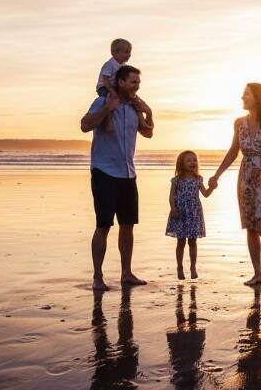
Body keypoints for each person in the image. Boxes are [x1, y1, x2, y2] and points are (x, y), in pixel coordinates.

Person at [80, 64, 153, 290]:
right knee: (103, 226)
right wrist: (107, 109)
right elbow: (84, 125)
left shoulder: (134, 107)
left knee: (128, 226)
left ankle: (126, 273)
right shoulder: (103, 101)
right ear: (120, 82)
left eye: (138, 83)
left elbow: (148, 132)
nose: (136, 86)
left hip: (128, 173)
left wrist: (149, 112)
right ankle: (97, 277)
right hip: (104, 172)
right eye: (133, 82)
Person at [209, 83, 261, 286]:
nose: (242, 97)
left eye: (246, 94)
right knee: (250, 227)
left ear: (258, 97)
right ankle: (257, 274)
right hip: (246, 178)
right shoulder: (239, 123)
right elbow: (233, 151)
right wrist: (217, 175)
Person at [166, 150, 216, 279]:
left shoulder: (198, 179)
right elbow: (171, 197)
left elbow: (205, 194)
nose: (193, 162)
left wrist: (212, 187)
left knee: (192, 242)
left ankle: (193, 267)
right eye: (189, 160)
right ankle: (179, 267)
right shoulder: (177, 180)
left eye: (194, 160)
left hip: (194, 213)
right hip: (180, 213)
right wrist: (173, 209)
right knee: (181, 242)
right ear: (181, 164)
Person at [95, 38, 133, 132]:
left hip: (114, 87)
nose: (129, 55)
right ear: (114, 52)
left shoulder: (123, 65)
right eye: (126, 52)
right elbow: (105, 80)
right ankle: (108, 121)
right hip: (104, 87)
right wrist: (112, 91)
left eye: (130, 52)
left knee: (130, 98)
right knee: (110, 100)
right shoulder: (110, 64)